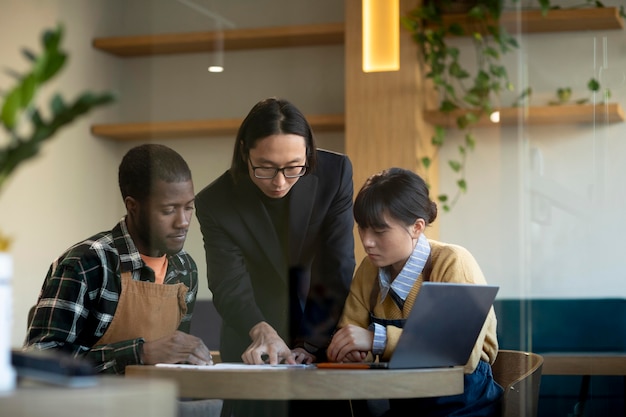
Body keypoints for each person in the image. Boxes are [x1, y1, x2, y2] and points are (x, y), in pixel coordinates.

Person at [195, 97, 356, 416]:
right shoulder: (216, 202)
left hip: (319, 328)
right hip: (251, 341)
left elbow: (336, 266)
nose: (280, 182)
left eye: (294, 168)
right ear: (245, 152)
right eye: (265, 168)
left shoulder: (335, 174)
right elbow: (228, 283)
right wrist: (261, 330)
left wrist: (309, 344)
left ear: (308, 153)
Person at [327, 167, 503, 417]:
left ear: (417, 227)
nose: (366, 241)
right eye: (362, 228)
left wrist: (377, 340)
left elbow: (461, 355)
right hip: (404, 402)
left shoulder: (452, 262)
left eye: (379, 231)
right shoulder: (369, 269)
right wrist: (349, 350)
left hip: (464, 405)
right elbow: (350, 338)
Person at [25, 144, 212, 374]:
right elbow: (40, 357)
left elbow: (173, 361)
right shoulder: (86, 264)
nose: (183, 221)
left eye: (189, 207)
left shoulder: (185, 269)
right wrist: (140, 353)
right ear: (133, 206)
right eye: (168, 210)